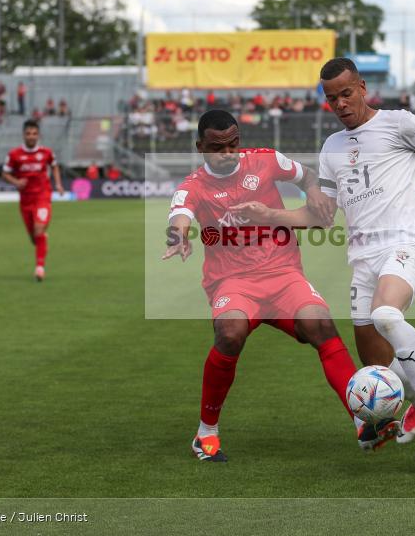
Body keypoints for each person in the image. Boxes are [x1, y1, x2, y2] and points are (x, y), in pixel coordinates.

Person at [233, 58, 415, 463]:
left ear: (363, 87)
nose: (340, 104)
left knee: (388, 316)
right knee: (378, 363)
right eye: (331, 98)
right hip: (363, 259)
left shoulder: (399, 123)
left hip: (406, 244)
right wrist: (270, 217)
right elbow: (321, 216)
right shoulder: (332, 147)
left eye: (346, 94)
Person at [163, 109, 387, 462]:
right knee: (230, 333)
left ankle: (362, 423)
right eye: (217, 147)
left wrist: (313, 190)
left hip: (284, 276)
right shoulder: (193, 186)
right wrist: (176, 235)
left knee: (321, 326)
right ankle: (206, 432)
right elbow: (180, 215)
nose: (228, 153)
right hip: (233, 282)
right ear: (200, 147)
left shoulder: (266, 160)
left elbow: (306, 174)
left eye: (233, 144)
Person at [1, 119, 64, 280]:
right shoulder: (14, 155)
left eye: (34, 134)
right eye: (28, 133)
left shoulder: (46, 153)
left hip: (42, 196)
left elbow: (55, 165)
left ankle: (40, 268)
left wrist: (58, 184)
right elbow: (4, 174)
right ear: (23, 135)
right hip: (25, 201)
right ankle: (42, 241)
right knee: (34, 238)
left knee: (39, 229)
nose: (31, 137)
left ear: (38, 135)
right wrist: (16, 182)